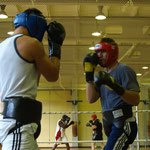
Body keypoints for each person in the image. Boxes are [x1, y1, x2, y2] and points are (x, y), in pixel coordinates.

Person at [0, 8, 66, 150]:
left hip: (10, 122)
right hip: (18, 127)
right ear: (37, 24)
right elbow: (52, 75)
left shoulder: (2, 47)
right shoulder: (32, 44)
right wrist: (56, 46)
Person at [83, 37, 140, 150]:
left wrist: (115, 86)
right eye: (97, 52)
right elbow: (90, 99)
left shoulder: (124, 70)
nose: (99, 55)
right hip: (109, 123)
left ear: (112, 52)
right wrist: (89, 75)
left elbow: (136, 100)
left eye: (103, 51)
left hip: (124, 123)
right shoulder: (101, 75)